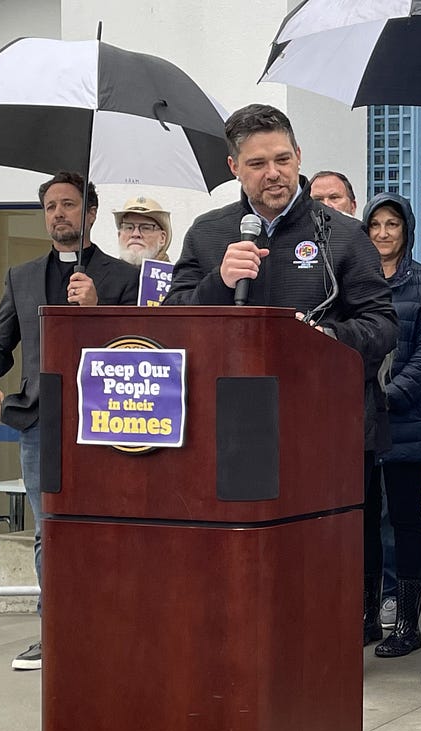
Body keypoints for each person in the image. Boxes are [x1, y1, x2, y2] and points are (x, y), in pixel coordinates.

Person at [165, 104, 398, 644]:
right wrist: (219, 283)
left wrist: (326, 341)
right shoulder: (208, 234)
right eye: (257, 164)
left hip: (324, 429)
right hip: (235, 432)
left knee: (324, 553)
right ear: (234, 167)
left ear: (298, 157)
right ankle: (246, 646)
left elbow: (382, 325)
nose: (273, 173)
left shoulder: (343, 235)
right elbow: (174, 323)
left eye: (282, 159)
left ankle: (328, 651)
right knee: (244, 553)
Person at [0, 170, 139, 671]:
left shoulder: (124, 277)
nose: (59, 214)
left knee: (109, 528)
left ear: (91, 213)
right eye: (50, 207)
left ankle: (114, 631)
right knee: (51, 532)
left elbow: (145, 344)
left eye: (69, 204)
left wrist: (98, 309)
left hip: (108, 423)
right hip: (41, 423)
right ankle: (58, 633)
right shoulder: (21, 277)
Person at [362, 192, 421, 657]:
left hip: (406, 421)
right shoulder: (354, 281)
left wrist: (388, 396)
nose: (383, 233)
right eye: (375, 225)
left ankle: (408, 624)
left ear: (406, 230)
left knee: (406, 518)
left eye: (392, 224)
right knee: (364, 520)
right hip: (359, 422)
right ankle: (368, 616)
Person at [114, 196, 172, 266]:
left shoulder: (175, 273)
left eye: (146, 228)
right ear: (119, 235)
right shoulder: (107, 271)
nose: (135, 234)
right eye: (129, 228)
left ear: (162, 238)